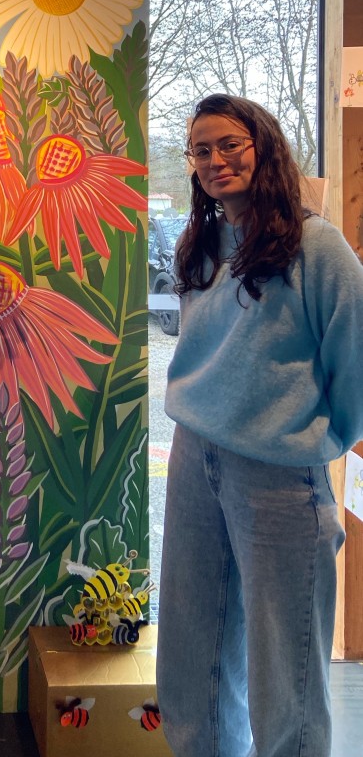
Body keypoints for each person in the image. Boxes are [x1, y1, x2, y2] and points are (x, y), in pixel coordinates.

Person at [156, 93, 363, 757]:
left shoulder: (316, 246)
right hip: (195, 455)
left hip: (278, 473)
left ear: (262, 146)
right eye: (201, 150)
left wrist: (315, 438)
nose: (215, 160)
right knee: (192, 651)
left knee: (285, 668)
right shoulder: (201, 243)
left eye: (229, 144)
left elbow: (355, 358)